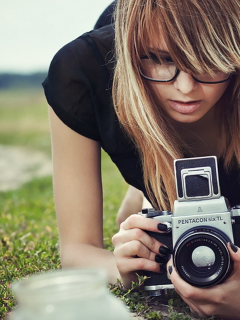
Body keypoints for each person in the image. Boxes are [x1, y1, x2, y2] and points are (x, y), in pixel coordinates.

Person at [43, 0, 240, 318]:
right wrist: (122, 268)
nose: (186, 88)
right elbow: (77, 249)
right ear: (131, 51)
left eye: (208, 61)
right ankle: (148, 181)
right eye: (160, 59)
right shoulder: (86, 71)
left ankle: (148, 188)